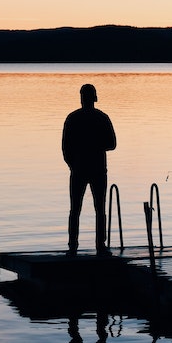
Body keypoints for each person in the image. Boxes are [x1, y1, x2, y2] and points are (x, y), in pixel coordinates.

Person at [62, 84, 116, 256]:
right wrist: (96, 146)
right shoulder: (102, 118)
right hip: (98, 169)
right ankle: (100, 245)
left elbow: (65, 148)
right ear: (95, 98)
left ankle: (72, 246)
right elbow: (112, 144)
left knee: (75, 209)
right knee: (100, 208)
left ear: (81, 98)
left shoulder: (72, 118)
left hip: (78, 169)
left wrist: (73, 164)